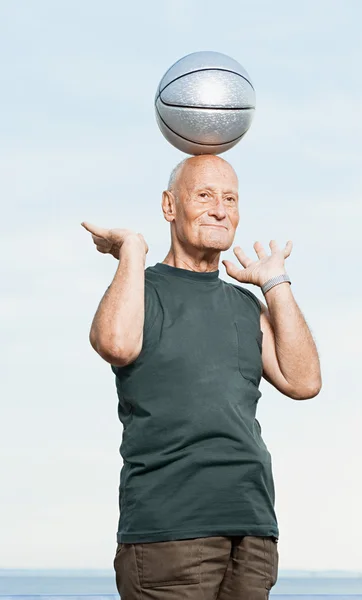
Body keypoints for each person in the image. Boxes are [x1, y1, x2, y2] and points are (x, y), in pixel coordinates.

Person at [82, 154, 322, 600]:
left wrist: (275, 283)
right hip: (169, 533)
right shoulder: (142, 289)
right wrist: (132, 249)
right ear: (169, 206)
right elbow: (114, 343)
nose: (220, 209)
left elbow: (303, 381)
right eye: (205, 196)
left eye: (230, 198)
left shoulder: (246, 306)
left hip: (252, 530)